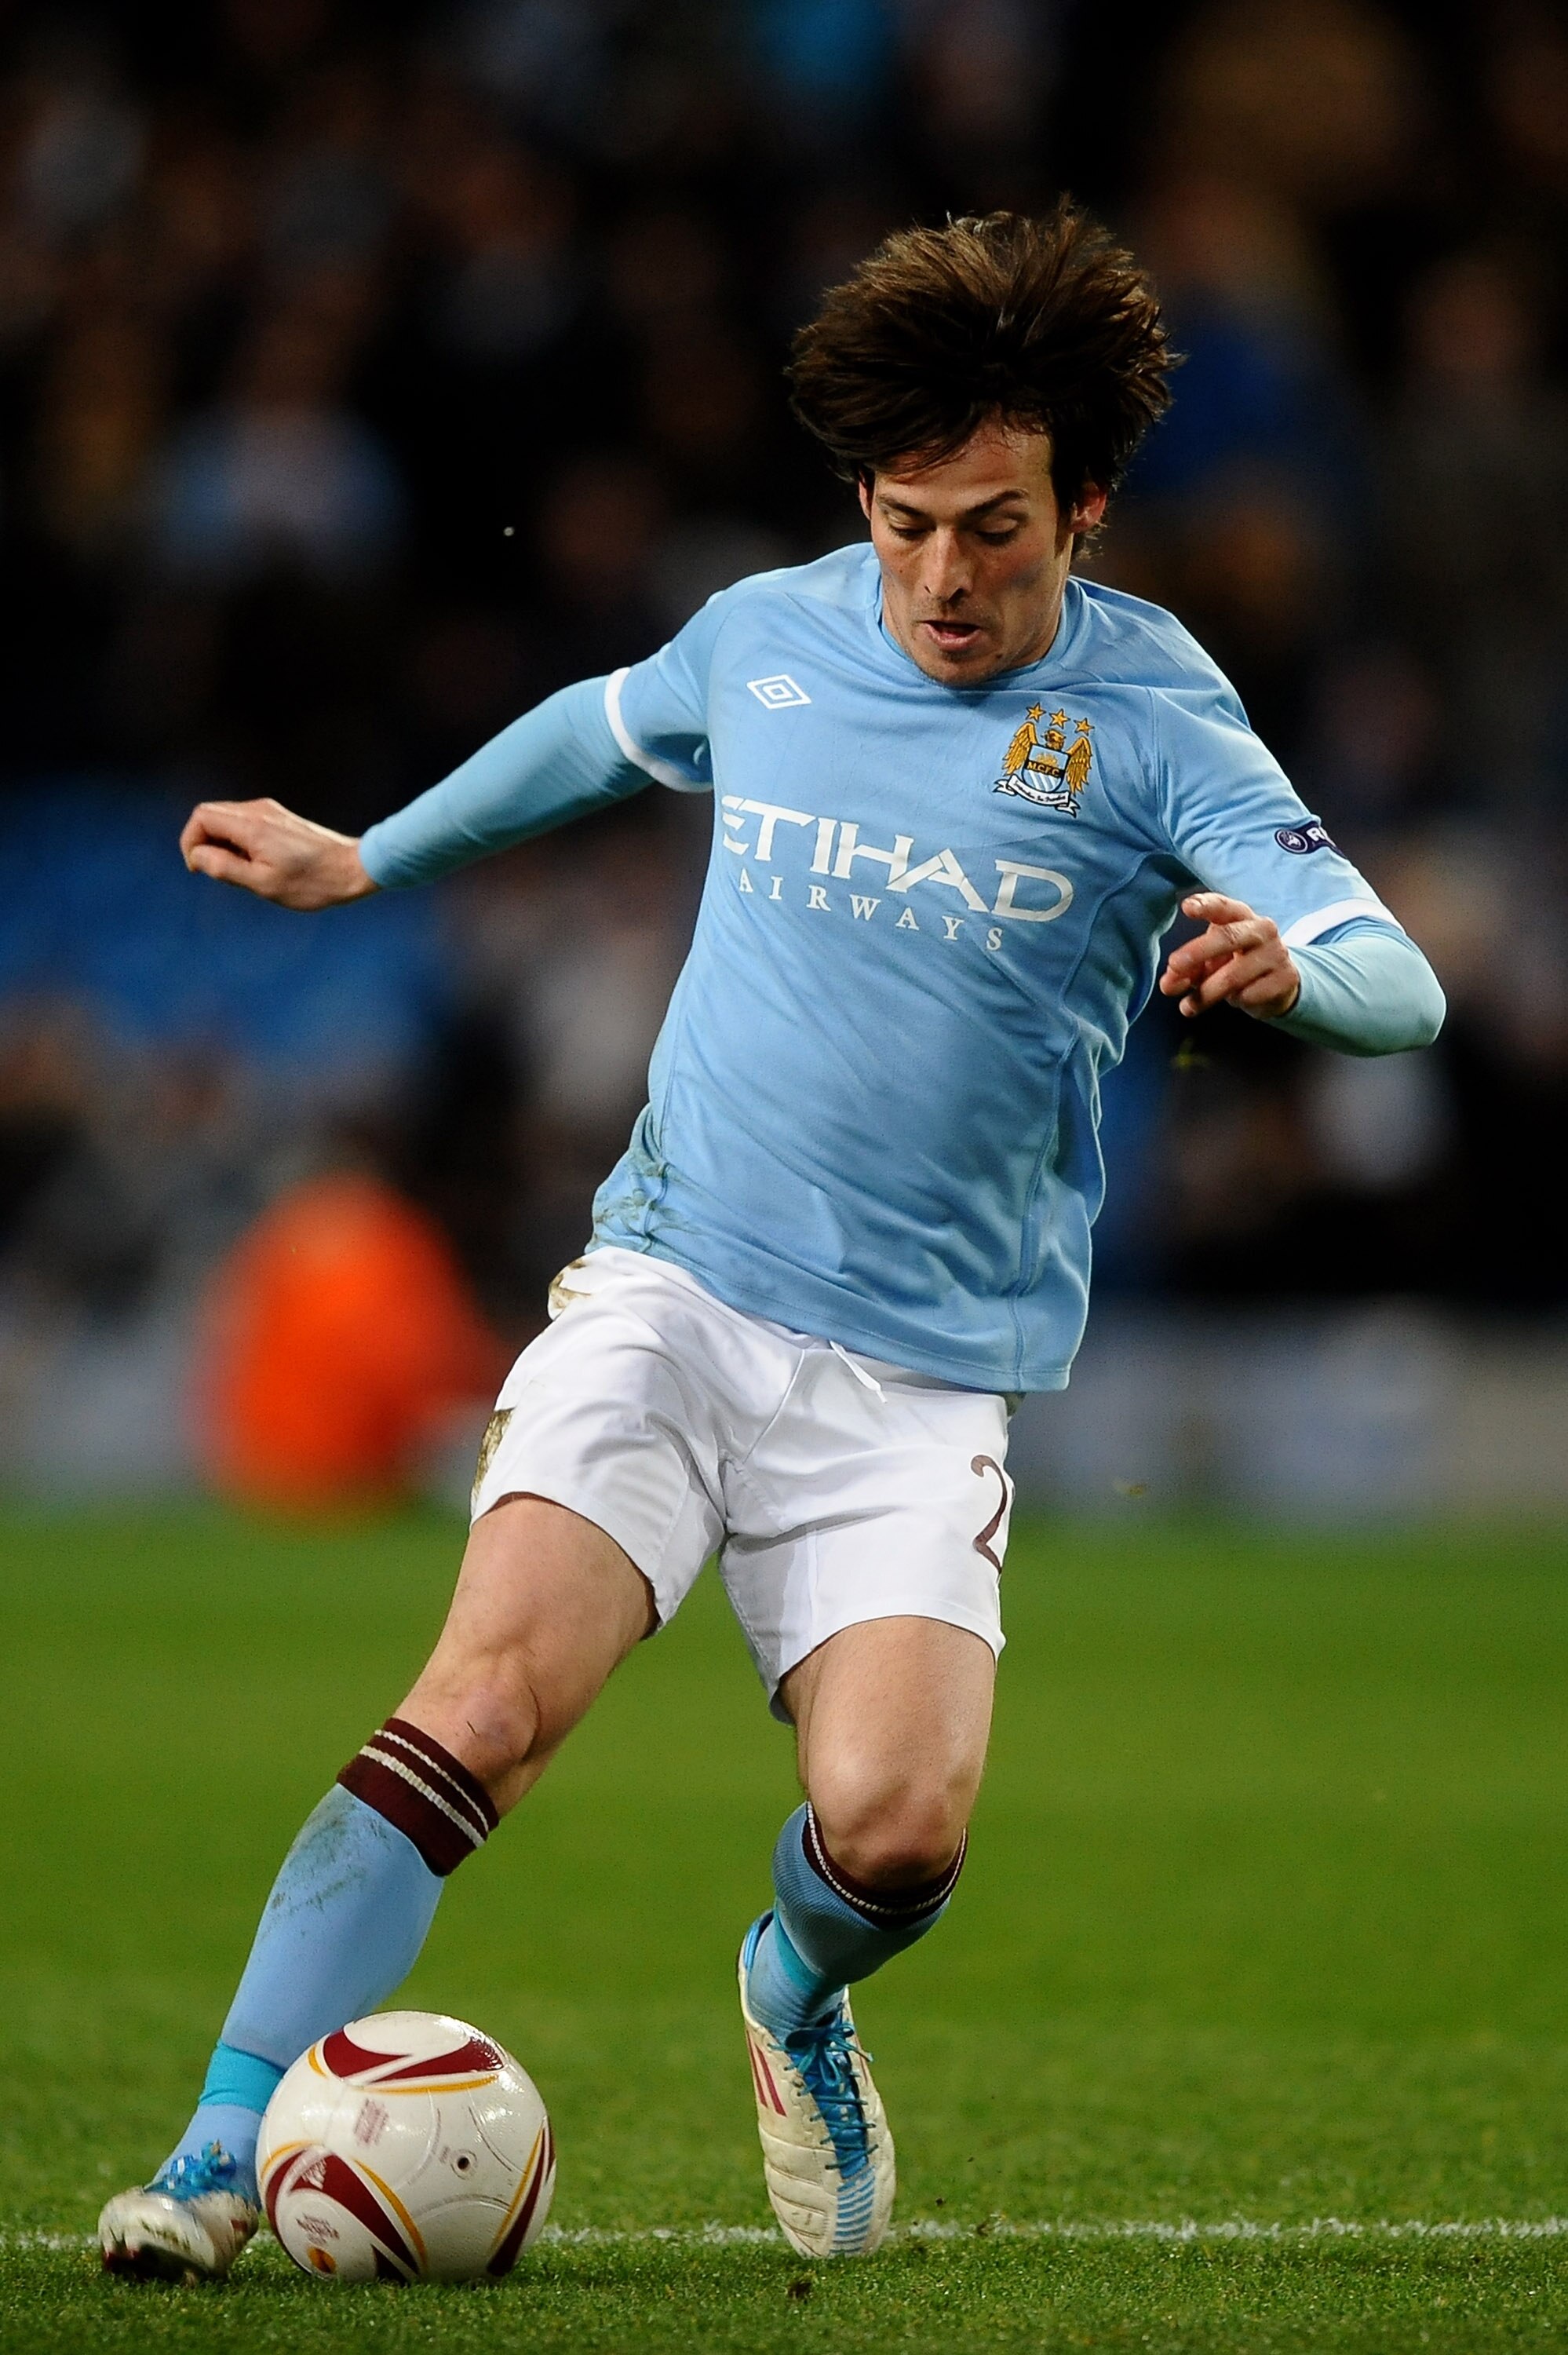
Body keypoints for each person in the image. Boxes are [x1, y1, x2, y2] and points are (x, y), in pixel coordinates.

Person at [100, 206, 1445, 2280]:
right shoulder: (774, 630)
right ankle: (206, 2157)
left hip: (915, 1377)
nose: (942, 578)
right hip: (675, 1288)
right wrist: (367, 850)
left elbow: (1397, 974)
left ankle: (791, 1990)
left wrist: (1300, 969)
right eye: (907, 525)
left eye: (995, 529)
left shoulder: (1161, 712)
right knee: (478, 1704)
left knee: (898, 1833)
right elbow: (598, 727)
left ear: (1082, 505)